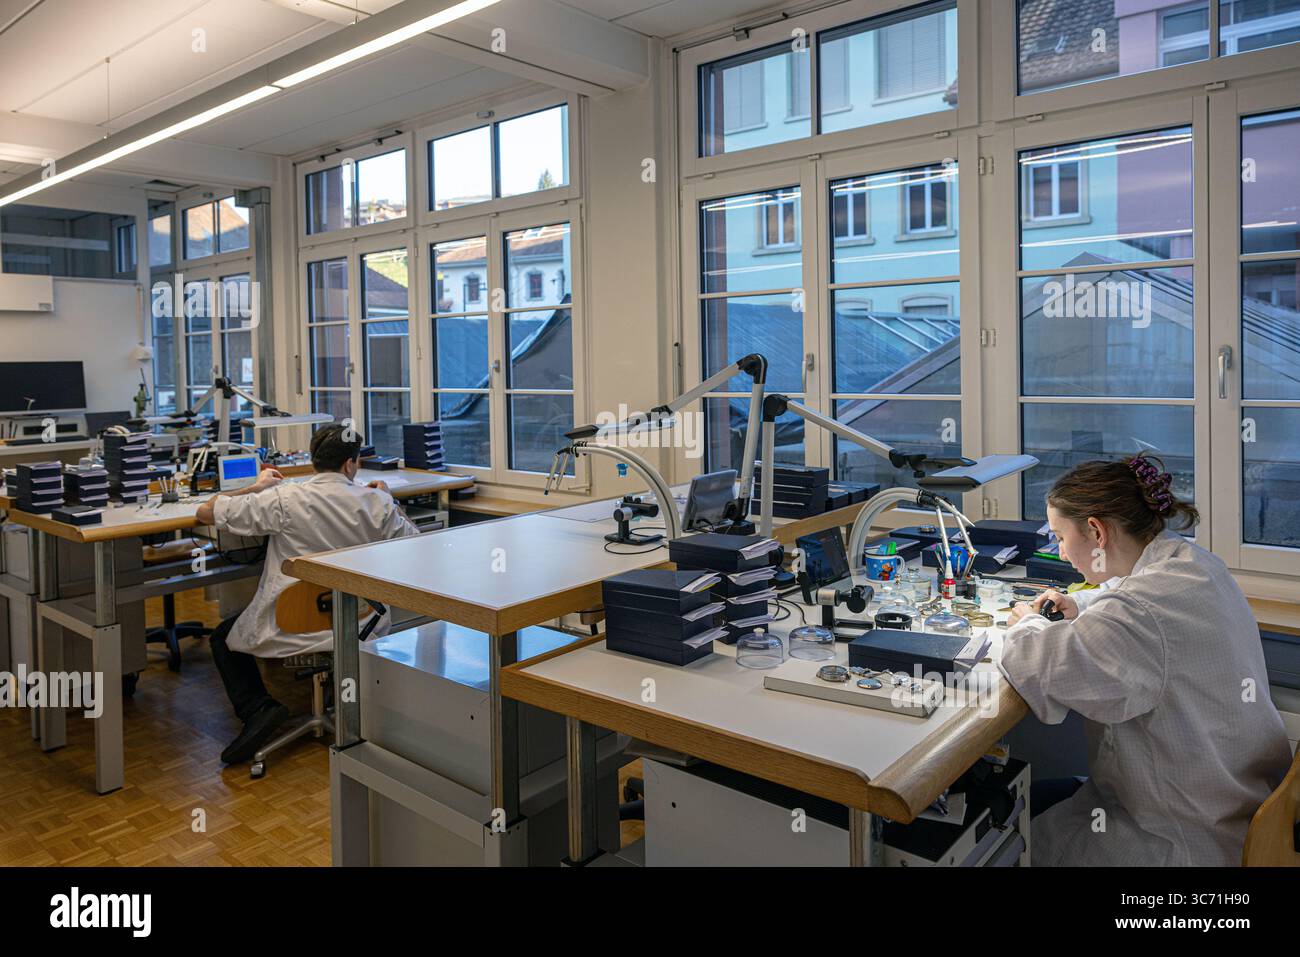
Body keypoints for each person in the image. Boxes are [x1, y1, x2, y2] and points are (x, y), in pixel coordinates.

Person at [999, 455, 1292, 866]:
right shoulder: (1194, 564)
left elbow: (1037, 663)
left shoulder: (1139, 613)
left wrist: (1028, 622)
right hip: (1241, 806)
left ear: (1097, 531)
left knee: (1001, 839)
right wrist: (1078, 603)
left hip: (1176, 839)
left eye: (1061, 537)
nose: (1061, 553)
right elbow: (1127, 594)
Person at [195, 425, 419, 765]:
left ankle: (260, 709)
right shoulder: (377, 502)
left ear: (314, 460)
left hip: (291, 624)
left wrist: (255, 487)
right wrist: (389, 498)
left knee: (222, 637)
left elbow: (206, 512)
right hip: (358, 621)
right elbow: (415, 542)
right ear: (350, 465)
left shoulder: (284, 499)